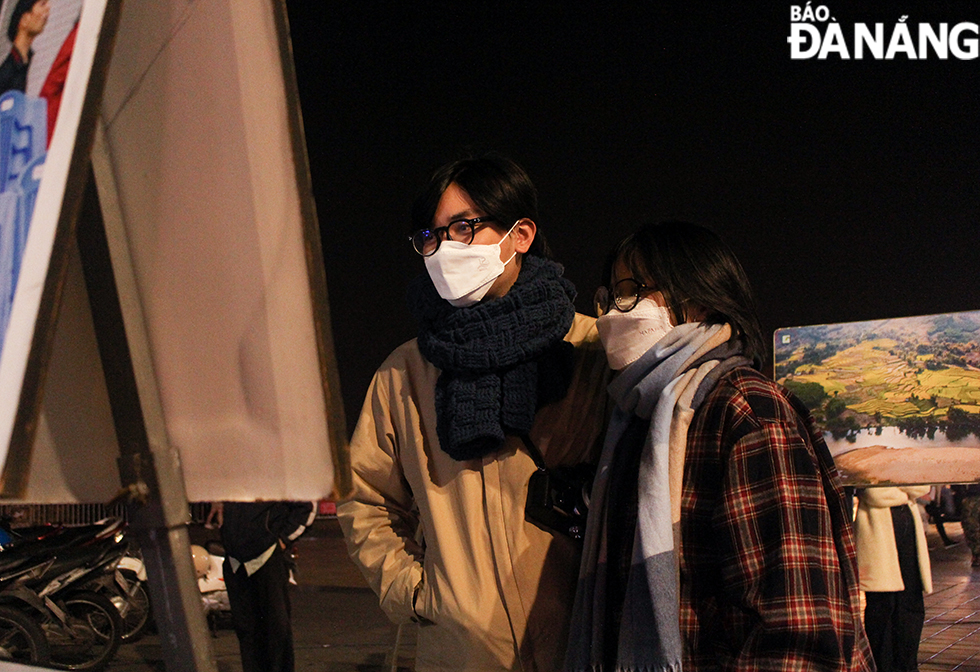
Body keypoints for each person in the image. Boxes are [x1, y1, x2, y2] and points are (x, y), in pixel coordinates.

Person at [337, 153, 609, 671]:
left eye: (464, 228)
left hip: (581, 645)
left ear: (520, 235)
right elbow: (363, 497)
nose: (445, 250)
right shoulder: (406, 372)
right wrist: (419, 594)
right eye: (432, 237)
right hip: (459, 654)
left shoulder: (591, 352)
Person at [566, 221, 874, 671]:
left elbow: (797, 622)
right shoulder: (636, 419)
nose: (614, 311)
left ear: (700, 297)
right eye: (610, 294)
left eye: (633, 290)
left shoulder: (744, 408)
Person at [208, 500, 316, 672]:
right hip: (236, 559)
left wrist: (283, 540)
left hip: (266, 556)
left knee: (276, 630)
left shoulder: (274, 474)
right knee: (246, 630)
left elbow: (307, 506)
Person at [855, 486, 932, 672]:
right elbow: (876, 494)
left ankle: (907, 665)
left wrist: (899, 490)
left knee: (911, 604)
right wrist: (905, 493)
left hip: (907, 526)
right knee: (882, 606)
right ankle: (882, 666)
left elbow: (922, 486)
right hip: (879, 528)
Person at [0, 0, 49, 94]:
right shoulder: (8, 71)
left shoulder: (27, 62)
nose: (48, 8)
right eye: (42, 4)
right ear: (24, 19)